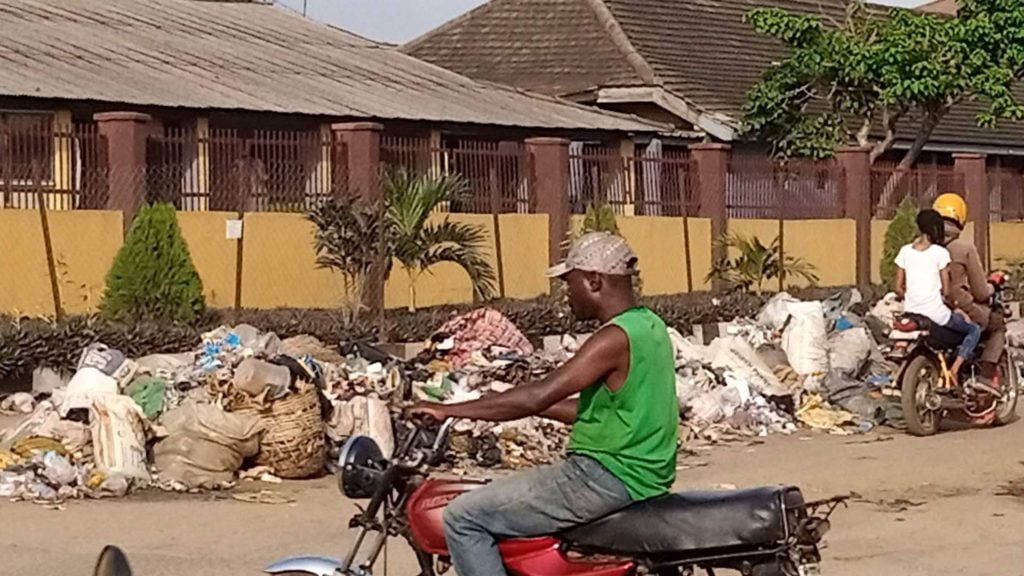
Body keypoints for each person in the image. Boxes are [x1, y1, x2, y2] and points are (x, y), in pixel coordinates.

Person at [407, 232, 679, 576]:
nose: (567, 295)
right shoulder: (649, 325)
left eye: (570, 283)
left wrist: (448, 410)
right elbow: (594, 410)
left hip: (602, 476)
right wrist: (502, 402)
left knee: (463, 517)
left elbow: (540, 393)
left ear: (594, 280)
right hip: (638, 475)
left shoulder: (613, 338)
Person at [895, 209, 982, 382]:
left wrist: (913, 296)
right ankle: (955, 370)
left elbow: (898, 287)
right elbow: (947, 290)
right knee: (974, 329)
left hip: (911, 312)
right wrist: (950, 305)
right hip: (937, 315)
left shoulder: (905, 251)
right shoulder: (940, 253)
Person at [933, 193, 1006, 392]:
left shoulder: (922, 246)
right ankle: (985, 376)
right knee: (997, 323)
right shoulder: (963, 248)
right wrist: (992, 285)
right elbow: (981, 292)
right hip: (959, 306)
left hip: (925, 308)